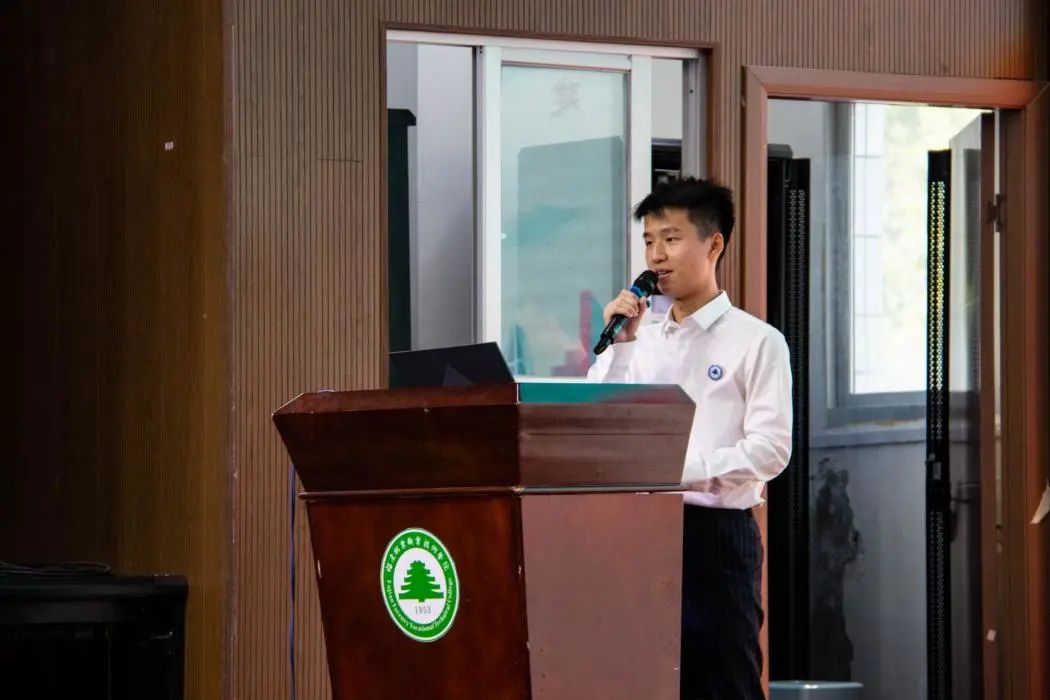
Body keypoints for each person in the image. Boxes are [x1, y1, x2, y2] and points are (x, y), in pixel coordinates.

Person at [587, 177, 792, 699]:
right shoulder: (638, 340)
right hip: (634, 533)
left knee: (723, 682)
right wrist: (623, 347)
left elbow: (771, 449)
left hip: (714, 536)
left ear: (713, 244)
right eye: (649, 241)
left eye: (672, 239)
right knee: (638, 681)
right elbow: (597, 424)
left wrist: (677, 470)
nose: (657, 255)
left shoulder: (757, 341)